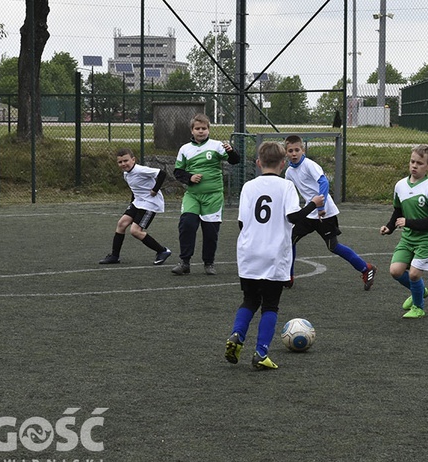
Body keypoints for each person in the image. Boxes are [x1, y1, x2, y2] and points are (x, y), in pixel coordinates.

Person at [224, 141, 324, 370]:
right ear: (283, 163)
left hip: (248, 252)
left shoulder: (248, 186)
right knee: (270, 305)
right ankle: (260, 353)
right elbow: (293, 217)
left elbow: (241, 222)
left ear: (258, 163)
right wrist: (313, 204)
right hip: (274, 253)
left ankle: (237, 335)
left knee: (249, 299)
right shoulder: (286, 186)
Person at [283, 135, 376, 290]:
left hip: (324, 212)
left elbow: (323, 182)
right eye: (290, 150)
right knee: (289, 240)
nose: (294, 153)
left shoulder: (309, 165)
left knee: (333, 246)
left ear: (302, 150)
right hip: (309, 211)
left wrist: (321, 207)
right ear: (286, 153)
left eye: (297, 150)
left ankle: (366, 268)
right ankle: (288, 277)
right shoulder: (289, 173)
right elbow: (289, 193)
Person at [171, 113, 241, 276]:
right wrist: (190, 178)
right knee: (187, 225)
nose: (201, 131)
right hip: (192, 196)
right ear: (192, 131)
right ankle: (185, 263)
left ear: (208, 130)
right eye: (197, 128)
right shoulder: (185, 149)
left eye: (204, 128)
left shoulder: (217, 146)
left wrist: (231, 151)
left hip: (213, 197)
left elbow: (234, 160)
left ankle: (209, 263)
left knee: (210, 231)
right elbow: (178, 171)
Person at [380, 145, 428, 319]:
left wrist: (409, 222)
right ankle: (420, 290)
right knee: (395, 271)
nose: (414, 166)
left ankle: (418, 307)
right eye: (412, 161)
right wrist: (389, 227)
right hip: (409, 238)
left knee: (414, 274)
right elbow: (398, 211)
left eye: (420, 163)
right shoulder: (400, 185)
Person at [99, 148, 172, 266]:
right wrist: (132, 203)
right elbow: (135, 189)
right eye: (120, 162)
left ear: (133, 160)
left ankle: (162, 251)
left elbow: (162, 173)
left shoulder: (140, 170)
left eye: (126, 161)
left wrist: (155, 189)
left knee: (135, 231)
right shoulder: (126, 174)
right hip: (138, 202)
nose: (123, 164)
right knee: (121, 224)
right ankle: (114, 256)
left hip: (150, 203)